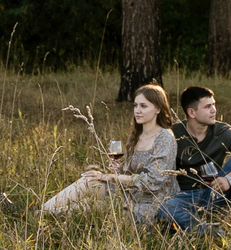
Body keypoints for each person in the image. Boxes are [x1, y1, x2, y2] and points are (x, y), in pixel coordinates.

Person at [40, 83, 180, 222]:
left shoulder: (165, 137)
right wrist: (118, 170)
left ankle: (42, 216)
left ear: (158, 109)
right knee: (90, 180)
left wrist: (108, 177)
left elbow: (153, 183)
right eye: (135, 105)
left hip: (151, 203)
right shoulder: (137, 135)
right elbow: (129, 173)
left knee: (89, 207)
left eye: (143, 106)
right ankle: (42, 212)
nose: (137, 110)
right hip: (130, 193)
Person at [158, 84, 231, 233]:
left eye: (214, 105)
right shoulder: (174, 134)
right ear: (192, 112)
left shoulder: (221, 131)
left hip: (216, 191)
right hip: (186, 196)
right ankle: (212, 233)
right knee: (165, 209)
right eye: (207, 107)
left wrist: (229, 179)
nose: (214, 110)